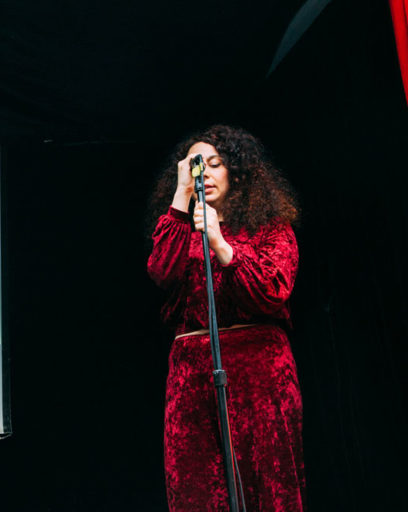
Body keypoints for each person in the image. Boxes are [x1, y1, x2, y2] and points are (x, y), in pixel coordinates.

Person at [147, 125, 305, 511]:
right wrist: (182, 195)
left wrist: (220, 243)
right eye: (196, 166)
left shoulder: (270, 226)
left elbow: (271, 291)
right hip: (191, 374)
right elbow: (161, 271)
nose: (205, 173)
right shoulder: (178, 226)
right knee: (198, 487)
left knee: (265, 481)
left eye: (215, 164)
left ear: (237, 171)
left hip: (259, 373)